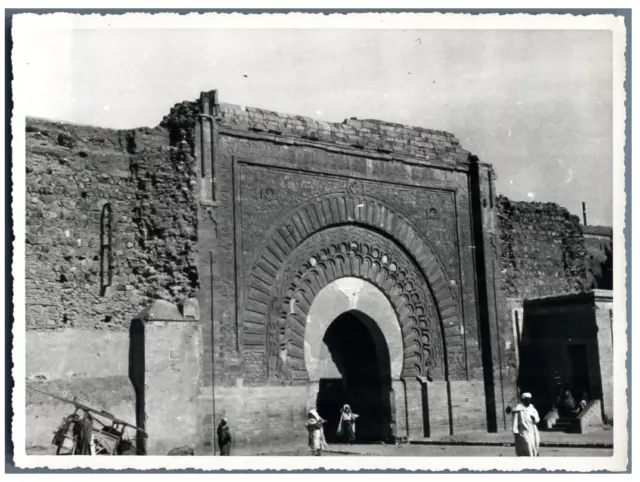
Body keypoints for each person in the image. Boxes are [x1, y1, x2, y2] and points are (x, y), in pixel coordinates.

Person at [512, 392, 540, 457]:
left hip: (533, 430)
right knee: (528, 445)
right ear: (523, 400)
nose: (528, 401)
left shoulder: (532, 408)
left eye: (529, 399)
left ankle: (533, 458)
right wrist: (515, 431)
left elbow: (537, 419)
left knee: (535, 444)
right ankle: (530, 460)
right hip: (524, 431)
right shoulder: (518, 409)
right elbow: (515, 421)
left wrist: (534, 419)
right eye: (526, 399)